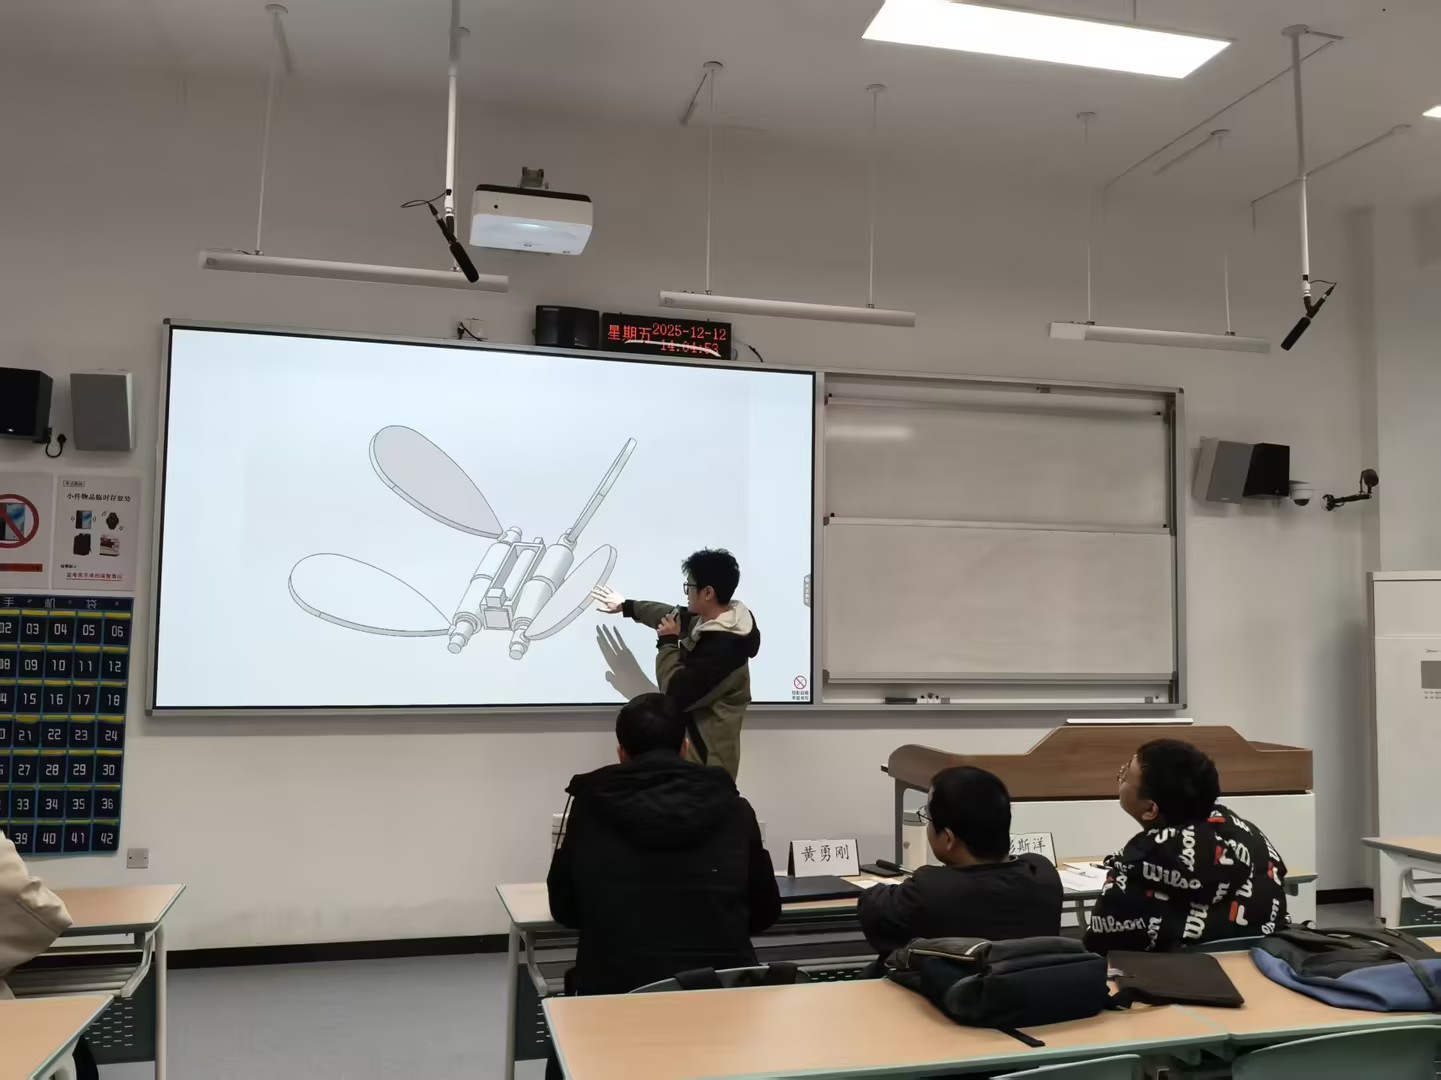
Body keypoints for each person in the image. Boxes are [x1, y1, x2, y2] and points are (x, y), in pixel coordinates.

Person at [546, 692, 781, 998]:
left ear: (621, 753)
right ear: (685, 748)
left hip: (615, 1001)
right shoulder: (735, 808)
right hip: (722, 998)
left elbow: (564, 909)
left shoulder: (589, 807)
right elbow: (765, 912)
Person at [1083, 738, 1289, 955]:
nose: (1120, 776)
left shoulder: (1134, 869)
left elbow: (1100, 948)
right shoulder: (1252, 838)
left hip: (1167, 975)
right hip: (1261, 968)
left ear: (1150, 809)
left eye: (1125, 775)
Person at [858, 766, 1063, 959]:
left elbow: (872, 905)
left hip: (943, 986)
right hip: (1028, 984)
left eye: (928, 818)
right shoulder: (1042, 874)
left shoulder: (930, 890)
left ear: (948, 838)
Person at [591, 548, 759, 779]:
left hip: (706, 769)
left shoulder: (724, 648)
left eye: (689, 587)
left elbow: (675, 692)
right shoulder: (720, 621)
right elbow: (673, 615)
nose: (687, 593)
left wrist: (667, 642)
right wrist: (627, 606)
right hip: (695, 761)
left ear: (707, 592)